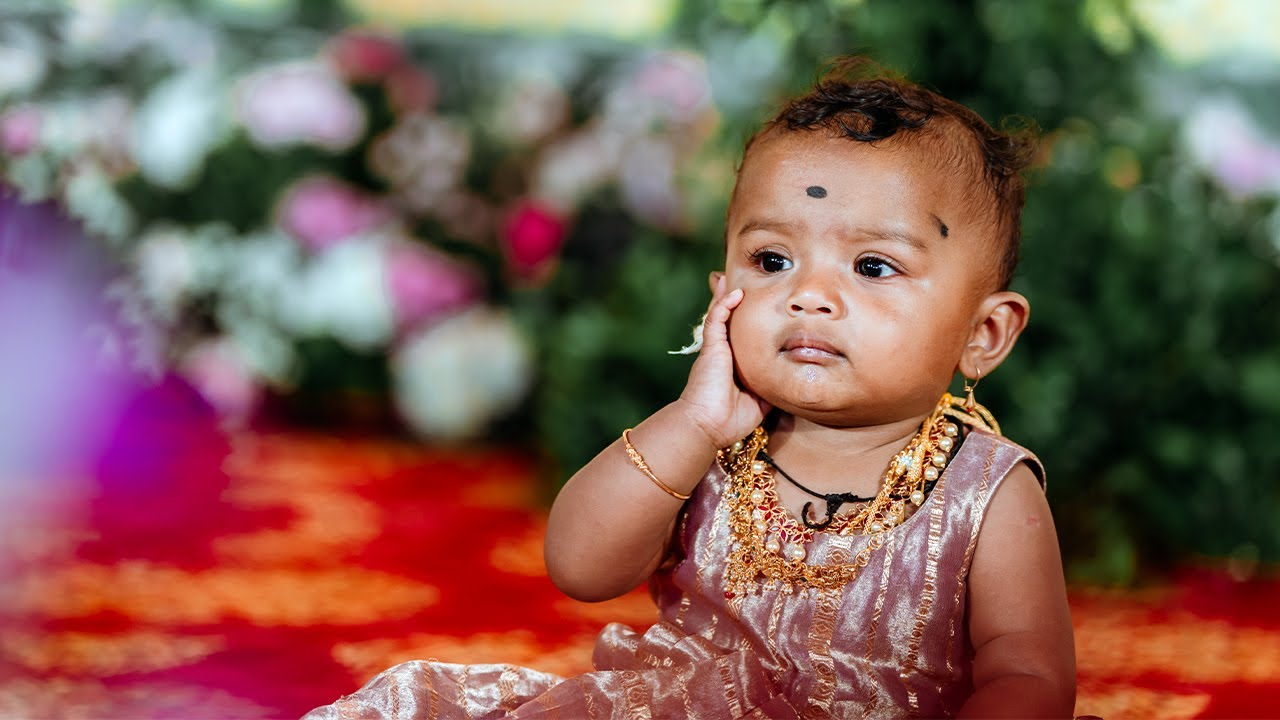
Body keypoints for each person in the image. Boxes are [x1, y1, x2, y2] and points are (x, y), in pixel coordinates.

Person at [305, 57, 1077, 719]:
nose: (808, 296)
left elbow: (1031, 677)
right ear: (720, 291)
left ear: (985, 334)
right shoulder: (712, 441)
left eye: (872, 267)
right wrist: (692, 422)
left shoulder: (986, 490)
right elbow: (580, 567)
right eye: (772, 261)